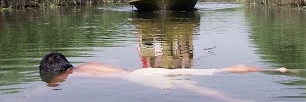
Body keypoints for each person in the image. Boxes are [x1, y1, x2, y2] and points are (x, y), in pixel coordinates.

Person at [39, 52, 289, 101]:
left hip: (139, 79)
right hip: (144, 71)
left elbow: (46, 88)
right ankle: (276, 70)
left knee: (197, 91)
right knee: (216, 70)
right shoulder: (89, 63)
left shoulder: (75, 76)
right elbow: (113, 62)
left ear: (59, 73)